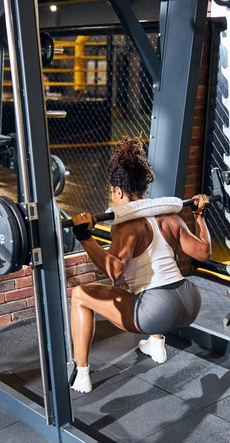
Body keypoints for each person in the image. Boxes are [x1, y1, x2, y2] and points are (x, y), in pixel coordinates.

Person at [70, 136, 211, 393]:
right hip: (190, 301)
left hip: (157, 308)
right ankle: (156, 345)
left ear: (119, 191)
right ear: (145, 188)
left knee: (80, 295)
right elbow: (203, 251)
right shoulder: (170, 217)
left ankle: (81, 374)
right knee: (147, 281)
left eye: (112, 192)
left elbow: (114, 270)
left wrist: (84, 237)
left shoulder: (127, 226)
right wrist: (199, 217)